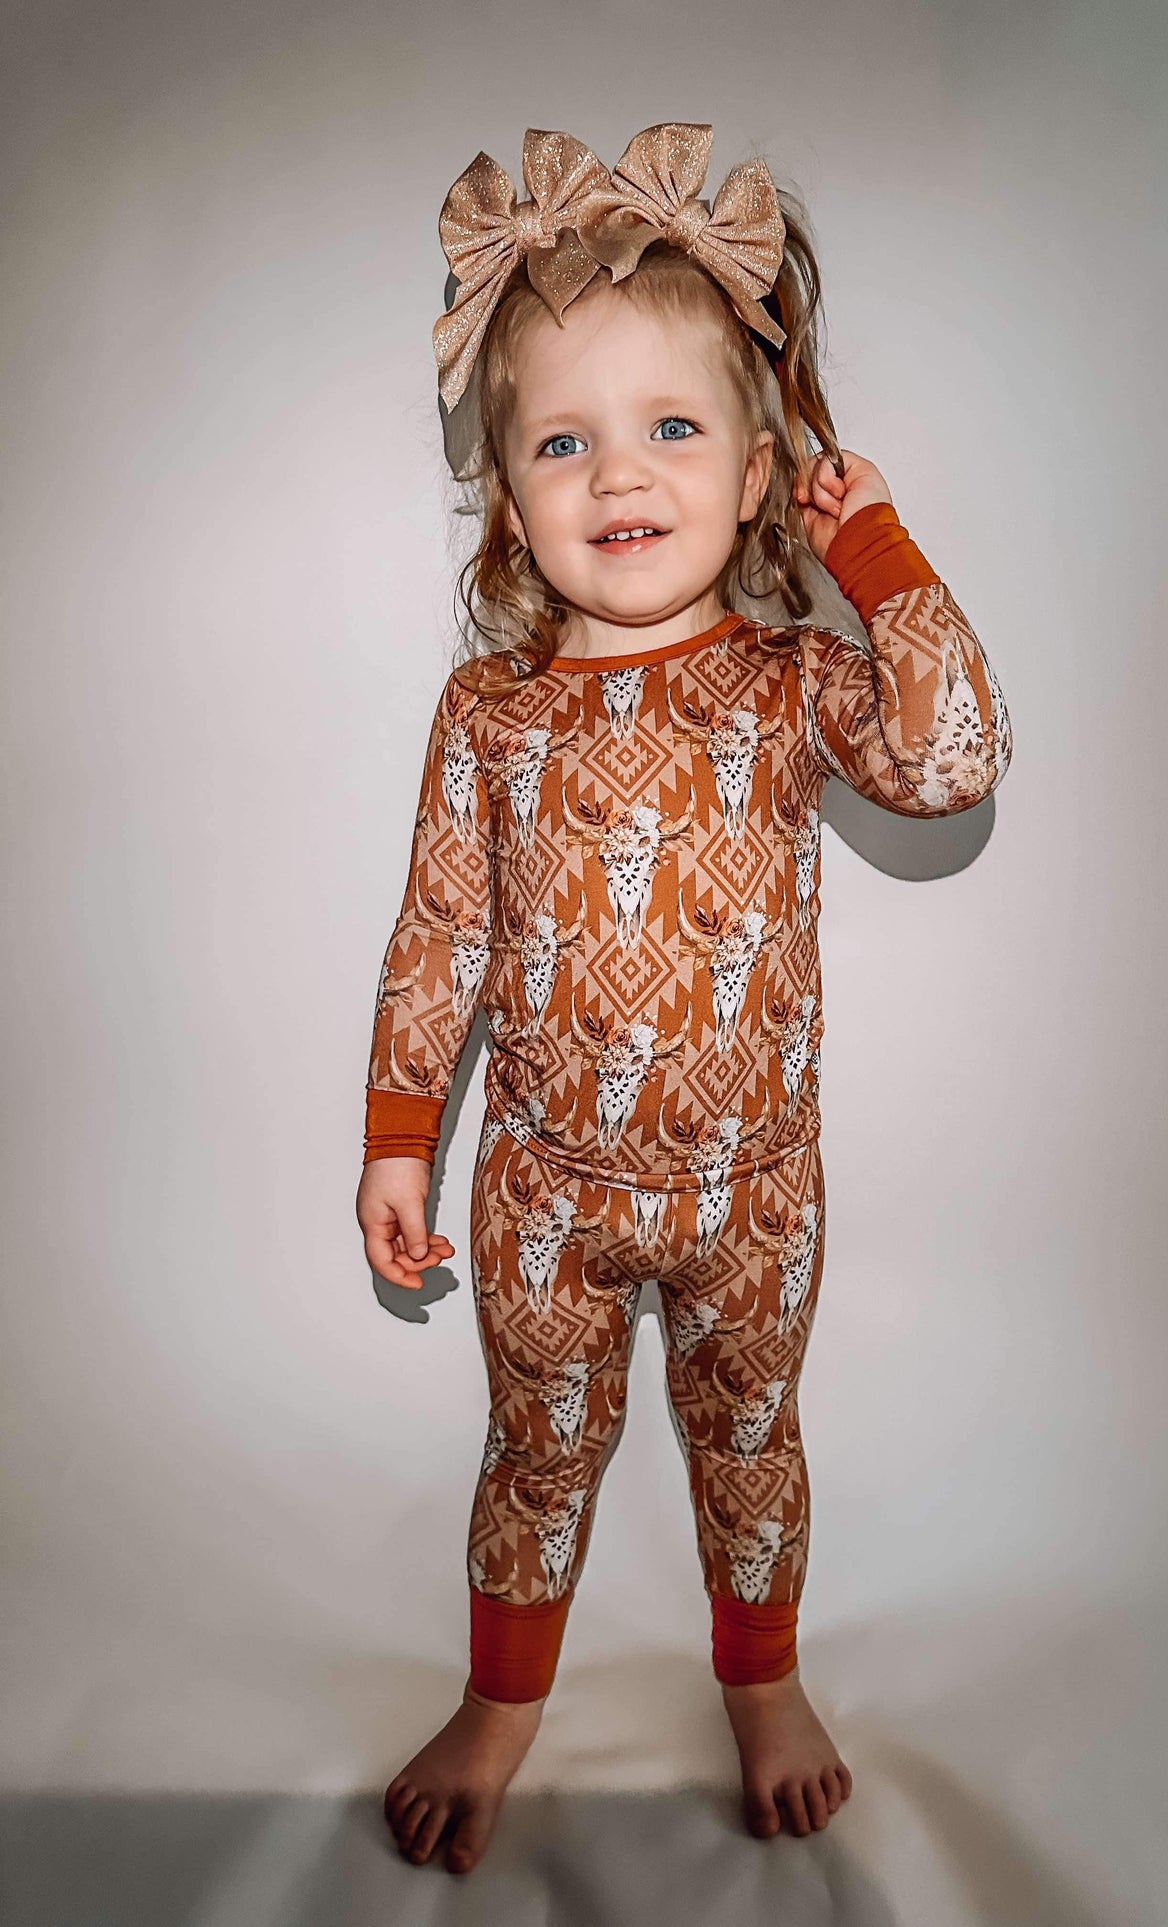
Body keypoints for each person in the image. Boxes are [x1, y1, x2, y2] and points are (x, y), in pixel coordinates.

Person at [356, 120, 1013, 1876]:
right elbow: (439, 936)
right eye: (562, 439)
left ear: (754, 472)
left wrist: (877, 554)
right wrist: (399, 1137)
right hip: (542, 1194)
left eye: (670, 427)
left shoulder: (791, 682)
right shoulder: (490, 717)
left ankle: (762, 1679)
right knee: (534, 1453)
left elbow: (952, 758)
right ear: (509, 497)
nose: (616, 474)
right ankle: (502, 1703)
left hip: (754, 1194)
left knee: (749, 1446)